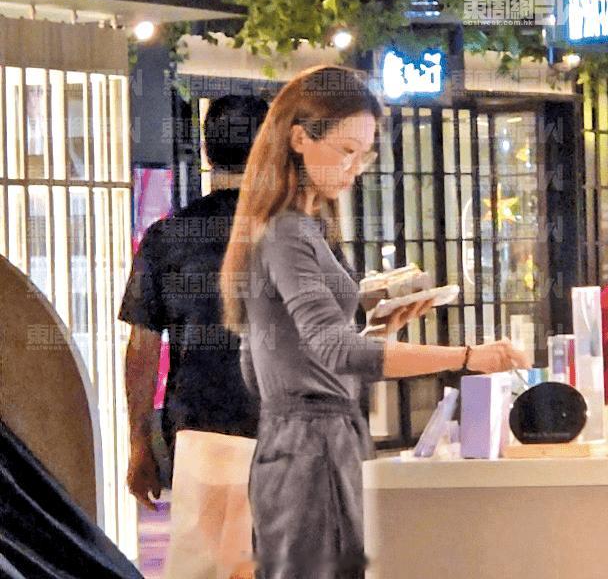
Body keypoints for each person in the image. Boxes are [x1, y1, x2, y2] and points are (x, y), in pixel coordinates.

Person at [219, 65, 530, 578]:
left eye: (363, 155)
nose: (355, 168)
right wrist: (469, 357)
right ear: (299, 138)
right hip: (311, 450)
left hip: (304, 444)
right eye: (346, 150)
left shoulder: (298, 228)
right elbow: (333, 351)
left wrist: (377, 334)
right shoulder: (289, 233)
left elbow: (265, 362)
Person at [119, 95, 268, 576]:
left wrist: (139, 442)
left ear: (206, 152)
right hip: (282, 432)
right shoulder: (301, 235)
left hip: (199, 433)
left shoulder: (166, 238)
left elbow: (142, 350)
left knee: (204, 566)